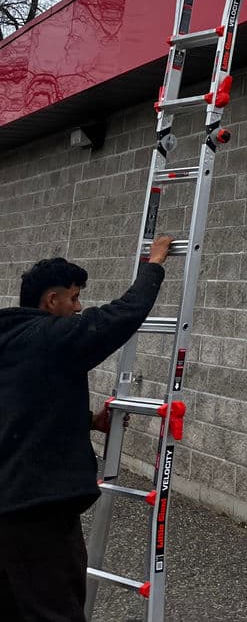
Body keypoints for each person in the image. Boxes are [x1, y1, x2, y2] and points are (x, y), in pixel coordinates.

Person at [0, 236, 173, 622]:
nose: (79, 309)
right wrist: (155, 264)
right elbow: (121, 316)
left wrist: (88, 423)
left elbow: (20, 409)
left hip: (9, 511)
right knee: (55, 610)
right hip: (36, 515)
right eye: (74, 299)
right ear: (51, 301)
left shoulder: (10, 339)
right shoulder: (52, 337)